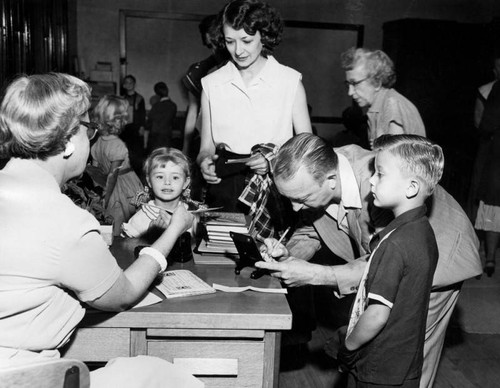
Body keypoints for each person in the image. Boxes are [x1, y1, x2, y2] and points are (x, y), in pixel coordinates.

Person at [0, 73, 203, 388]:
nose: (91, 139)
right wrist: (173, 230)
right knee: (175, 379)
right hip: (25, 377)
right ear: (68, 141)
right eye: (88, 129)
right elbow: (123, 294)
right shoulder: (65, 220)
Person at [256, 133, 482, 388]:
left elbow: (379, 264)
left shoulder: (379, 190)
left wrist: (314, 275)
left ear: (331, 181)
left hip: (441, 250)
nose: (296, 209)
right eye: (290, 200)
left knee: (409, 357)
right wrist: (287, 256)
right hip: (393, 260)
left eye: (302, 199)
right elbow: (310, 230)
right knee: (375, 352)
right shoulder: (318, 167)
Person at [197, 0, 312, 238]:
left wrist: (274, 159)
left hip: (276, 184)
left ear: (264, 36)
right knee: (222, 255)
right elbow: (206, 146)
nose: (238, 50)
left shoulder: (289, 81)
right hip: (226, 182)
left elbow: (307, 148)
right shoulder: (211, 84)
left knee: (273, 257)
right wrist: (205, 161)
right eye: (230, 41)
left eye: (247, 41)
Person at [337, 135, 443, 387]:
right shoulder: (423, 232)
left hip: (378, 368)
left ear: (411, 187)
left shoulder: (396, 244)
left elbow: (376, 316)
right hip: (405, 365)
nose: (371, 180)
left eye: (380, 174)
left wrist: (348, 346)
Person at [341, 47, 426, 149]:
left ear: (377, 82)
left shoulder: (392, 104)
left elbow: (394, 158)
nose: (350, 92)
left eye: (355, 83)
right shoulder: (378, 107)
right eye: (348, 84)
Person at [90, 95, 144, 237]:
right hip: (123, 187)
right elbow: (112, 176)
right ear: (116, 120)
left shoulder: (97, 143)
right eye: (122, 118)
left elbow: (96, 173)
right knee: (128, 223)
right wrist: (106, 199)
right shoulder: (118, 145)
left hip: (106, 187)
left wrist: (99, 196)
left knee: (110, 224)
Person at [122, 147, 197, 238]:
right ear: (149, 181)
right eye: (160, 177)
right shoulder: (140, 219)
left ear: (185, 182)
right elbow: (127, 249)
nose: (167, 182)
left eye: (175, 177)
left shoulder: (191, 216)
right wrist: (148, 238)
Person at [181, 14, 228, 160]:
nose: (214, 50)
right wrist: (185, 149)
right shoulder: (199, 72)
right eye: (210, 46)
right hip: (205, 143)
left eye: (217, 45)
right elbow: (193, 112)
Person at [470, 54, 500, 276]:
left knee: (493, 205)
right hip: (494, 156)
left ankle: (490, 257)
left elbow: (480, 123)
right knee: (492, 204)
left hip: (494, 154)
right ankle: (489, 257)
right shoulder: (485, 91)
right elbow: (480, 124)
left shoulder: (486, 91)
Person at [121, 74, 146, 176]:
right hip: (124, 129)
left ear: (134, 84)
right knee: (124, 152)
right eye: (126, 82)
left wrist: (142, 127)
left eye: (130, 82)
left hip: (135, 129)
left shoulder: (140, 98)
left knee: (136, 154)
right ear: (124, 85)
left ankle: (137, 175)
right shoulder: (121, 99)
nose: (129, 84)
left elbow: (142, 114)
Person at [146, 82, 177, 151]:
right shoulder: (173, 105)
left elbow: (149, 122)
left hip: (155, 137)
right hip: (167, 136)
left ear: (156, 93)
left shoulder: (156, 106)